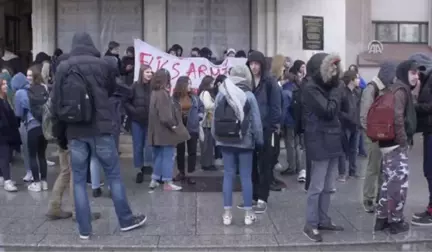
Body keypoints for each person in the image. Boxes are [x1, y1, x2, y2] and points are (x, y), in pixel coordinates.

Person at [53, 32, 146, 239]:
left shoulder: (63, 68)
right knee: (113, 175)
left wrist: (60, 135)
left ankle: (84, 229)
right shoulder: (104, 65)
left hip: (75, 130)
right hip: (102, 129)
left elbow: (56, 103)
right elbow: (115, 88)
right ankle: (126, 220)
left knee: (78, 180)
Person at [212, 65, 262, 226]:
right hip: (245, 141)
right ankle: (248, 214)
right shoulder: (249, 95)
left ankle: (227, 215)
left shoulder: (222, 94)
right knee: (246, 177)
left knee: (228, 175)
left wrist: (216, 138)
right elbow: (256, 122)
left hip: (225, 140)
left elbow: (214, 120)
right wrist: (259, 141)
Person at [302, 53, 344, 242]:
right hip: (319, 140)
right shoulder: (311, 88)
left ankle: (323, 219)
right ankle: (311, 223)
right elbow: (328, 110)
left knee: (329, 186)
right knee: (317, 186)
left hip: (333, 138)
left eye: (336, 68)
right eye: (331, 68)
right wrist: (337, 91)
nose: (335, 72)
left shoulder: (330, 87)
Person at [374, 60, 418, 234]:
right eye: (413, 73)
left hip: (387, 142)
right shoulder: (401, 90)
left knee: (388, 182)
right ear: (404, 72)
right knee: (399, 184)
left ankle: (382, 218)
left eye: (417, 73)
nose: (416, 76)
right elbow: (397, 117)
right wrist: (403, 141)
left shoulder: (394, 88)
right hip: (395, 144)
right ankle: (396, 221)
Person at [243, 50, 282, 214]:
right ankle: (253, 196)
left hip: (266, 128)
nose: (253, 67)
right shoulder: (247, 82)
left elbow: (275, 106)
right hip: (251, 129)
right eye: (251, 64)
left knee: (265, 164)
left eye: (256, 63)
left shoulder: (270, 82)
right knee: (250, 164)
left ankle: (262, 198)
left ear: (261, 64)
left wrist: (273, 126)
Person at [360, 62, 397, 213]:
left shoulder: (386, 89)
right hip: (373, 136)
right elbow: (364, 115)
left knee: (383, 168)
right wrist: (371, 134)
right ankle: (368, 199)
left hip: (385, 135)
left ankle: (380, 197)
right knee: (373, 168)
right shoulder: (372, 88)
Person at [147, 69, 190, 191]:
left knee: (159, 156)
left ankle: (155, 179)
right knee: (168, 156)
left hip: (156, 132)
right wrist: (174, 126)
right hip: (165, 132)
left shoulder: (154, 92)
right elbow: (165, 117)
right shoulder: (163, 94)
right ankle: (167, 181)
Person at [13, 67, 48, 192]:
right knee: (42, 155)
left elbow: (18, 113)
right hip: (44, 126)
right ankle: (44, 182)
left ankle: (36, 183)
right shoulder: (43, 88)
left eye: (29, 75)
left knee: (32, 156)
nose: (28, 78)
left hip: (32, 126)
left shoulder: (20, 93)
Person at [410, 53, 432, 226]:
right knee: (428, 171)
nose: (415, 74)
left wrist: (413, 107)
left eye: (416, 70)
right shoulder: (427, 80)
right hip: (428, 131)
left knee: (431, 171)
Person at [124, 64, 153, 184]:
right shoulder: (135, 86)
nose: (150, 74)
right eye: (147, 72)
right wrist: (134, 111)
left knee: (149, 145)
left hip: (150, 121)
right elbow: (126, 102)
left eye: (151, 72)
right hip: (136, 121)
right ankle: (138, 170)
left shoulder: (153, 87)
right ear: (142, 73)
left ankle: (147, 166)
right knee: (137, 146)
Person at [173, 76, 203, 184]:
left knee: (192, 151)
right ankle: (181, 172)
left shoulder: (194, 97)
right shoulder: (174, 98)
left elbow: (201, 108)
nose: (190, 86)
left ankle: (191, 174)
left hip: (192, 127)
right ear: (182, 85)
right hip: (180, 127)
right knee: (180, 151)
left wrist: (198, 117)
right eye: (188, 83)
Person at [281, 68, 306, 178]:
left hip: (289, 122)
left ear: (286, 80)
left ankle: (291, 167)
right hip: (297, 121)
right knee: (297, 145)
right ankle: (299, 166)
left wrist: (280, 124)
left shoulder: (285, 92)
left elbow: (284, 110)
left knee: (290, 145)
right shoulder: (297, 89)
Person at [337, 70, 361, 182]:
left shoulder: (357, 92)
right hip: (345, 125)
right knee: (342, 149)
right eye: (357, 78)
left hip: (355, 125)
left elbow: (358, 108)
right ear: (351, 80)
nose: (359, 80)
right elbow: (338, 110)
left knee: (354, 149)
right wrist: (348, 117)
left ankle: (353, 171)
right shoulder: (342, 92)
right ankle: (342, 173)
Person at [0, 75, 20, 192]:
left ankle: (3, 177)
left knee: (3, 156)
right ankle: (7, 180)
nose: (6, 85)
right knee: (5, 156)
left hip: (6, 133)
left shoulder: (5, 99)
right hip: (3, 134)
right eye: (3, 84)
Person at [198, 76, 218, 171]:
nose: (213, 85)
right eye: (211, 83)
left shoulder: (204, 92)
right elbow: (208, 105)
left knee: (208, 144)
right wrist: (217, 103)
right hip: (207, 122)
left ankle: (208, 163)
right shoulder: (205, 93)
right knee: (207, 144)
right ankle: (207, 164)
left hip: (208, 121)